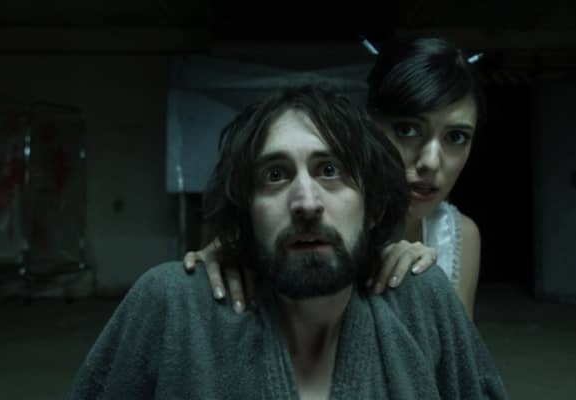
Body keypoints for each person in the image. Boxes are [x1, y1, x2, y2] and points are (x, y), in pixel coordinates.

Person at [67, 85, 507, 399]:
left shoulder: (421, 301)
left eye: (330, 171)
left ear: (373, 207)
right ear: (246, 212)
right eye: (275, 175)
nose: (306, 203)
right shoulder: (172, 306)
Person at [184, 37, 483, 318]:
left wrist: (426, 288)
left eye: (456, 136)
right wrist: (219, 263)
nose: (430, 162)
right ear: (368, 127)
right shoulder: (299, 226)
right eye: (407, 130)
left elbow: (456, 352)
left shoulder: (458, 236)